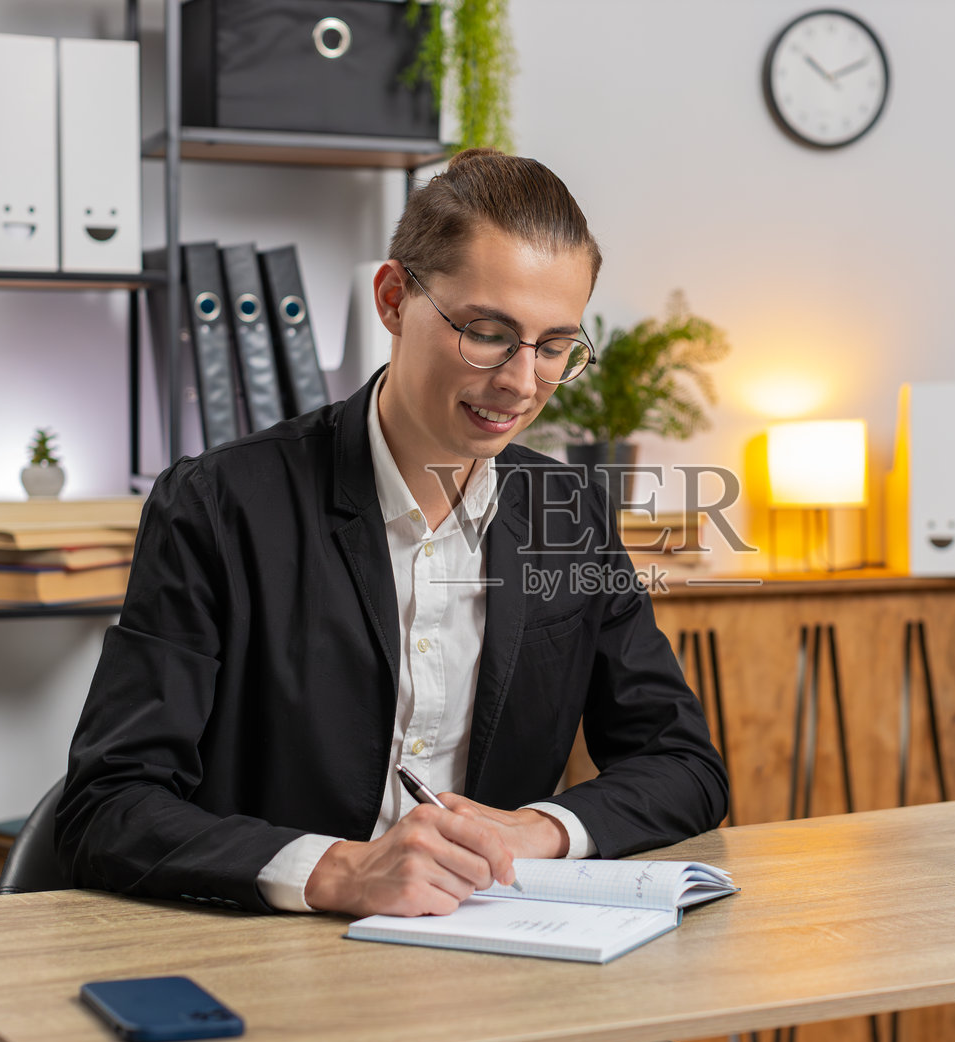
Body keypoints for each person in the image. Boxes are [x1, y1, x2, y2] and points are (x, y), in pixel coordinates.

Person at [56, 149, 730, 922]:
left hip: (498, 958)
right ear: (392, 298)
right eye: (487, 332)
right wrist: (340, 870)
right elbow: (108, 804)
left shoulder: (568, 512)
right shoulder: (217, 504)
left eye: (553, 347)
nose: (520, 382)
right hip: (269, 962)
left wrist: (536, 828)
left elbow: (685, 765)